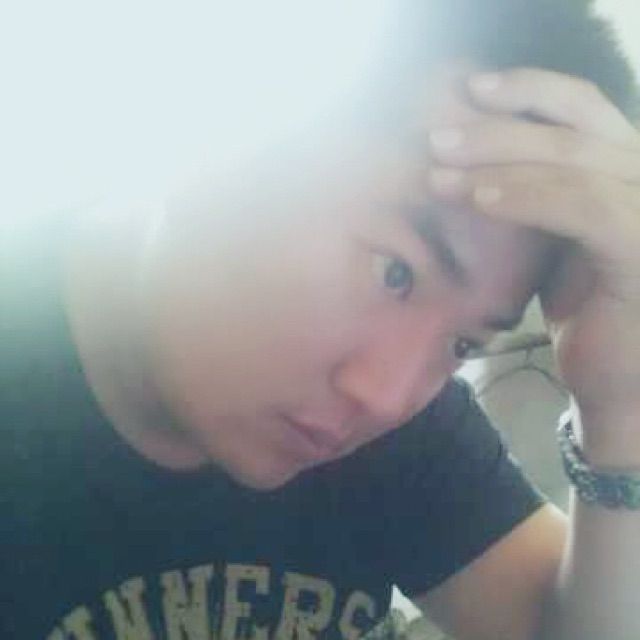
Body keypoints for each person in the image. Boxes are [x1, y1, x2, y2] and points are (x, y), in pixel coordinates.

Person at [2, 1, 640, 638]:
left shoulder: (408, 430)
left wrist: (620, 408)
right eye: (396, 272)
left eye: (461, 343)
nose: (385, 398)